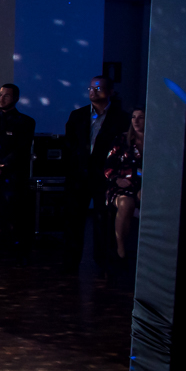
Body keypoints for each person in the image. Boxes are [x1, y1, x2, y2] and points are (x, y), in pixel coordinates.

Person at [63, 75, 129, 274]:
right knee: (74, 220)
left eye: (98, 88)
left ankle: (103, 262)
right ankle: (70, 263)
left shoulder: (121, 118)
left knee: (103, 220)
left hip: (104, 177)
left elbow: (123, 148)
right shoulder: (78, 116)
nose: (93, 91)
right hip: (79, 176)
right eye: (91, 88)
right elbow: (68, 145)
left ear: (110, 92)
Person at [0, 83, 36, 261]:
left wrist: (0, 168)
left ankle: (16, 253)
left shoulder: (26, 122)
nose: (1, 99)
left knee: (14, 215)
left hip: (12, 175)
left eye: (6, 96)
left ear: (15, 99)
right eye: (0, 95)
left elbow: (21, 150)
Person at [104, 108, 144, 260]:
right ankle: (120, 250)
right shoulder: (122, 140)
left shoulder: (156, 142)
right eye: (134, 117)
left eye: (141, 117)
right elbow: (108, 167)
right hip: (122, 185)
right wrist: (116, 179)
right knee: (126, 203)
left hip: (146, 186)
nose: (136, 120)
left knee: (145, 198)